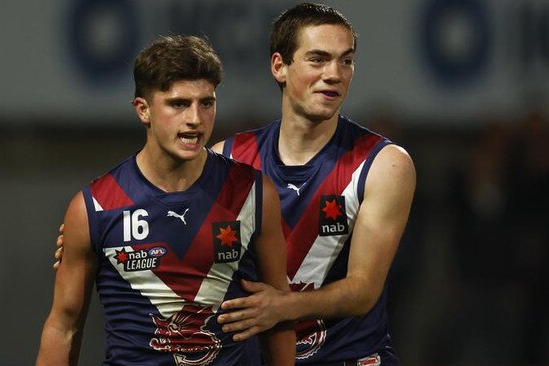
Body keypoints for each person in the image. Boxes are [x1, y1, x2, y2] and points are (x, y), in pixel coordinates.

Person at [54, 3, 415, 365]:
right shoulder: (231, 156)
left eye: (346, 61)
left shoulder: (384, 163)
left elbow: (363, 290)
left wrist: (282, 306)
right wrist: (94, 239)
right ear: (280, 67)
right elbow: (161, 217)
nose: (334, 74)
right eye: (318, 59)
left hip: (349, 357)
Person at [36, 35, 295, 366]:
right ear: (143, 110)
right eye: (178, 104)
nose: (195, 119)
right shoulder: (94, 207)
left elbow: (280, 313)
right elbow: (64, 326)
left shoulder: (253, 193)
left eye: (207, 103)